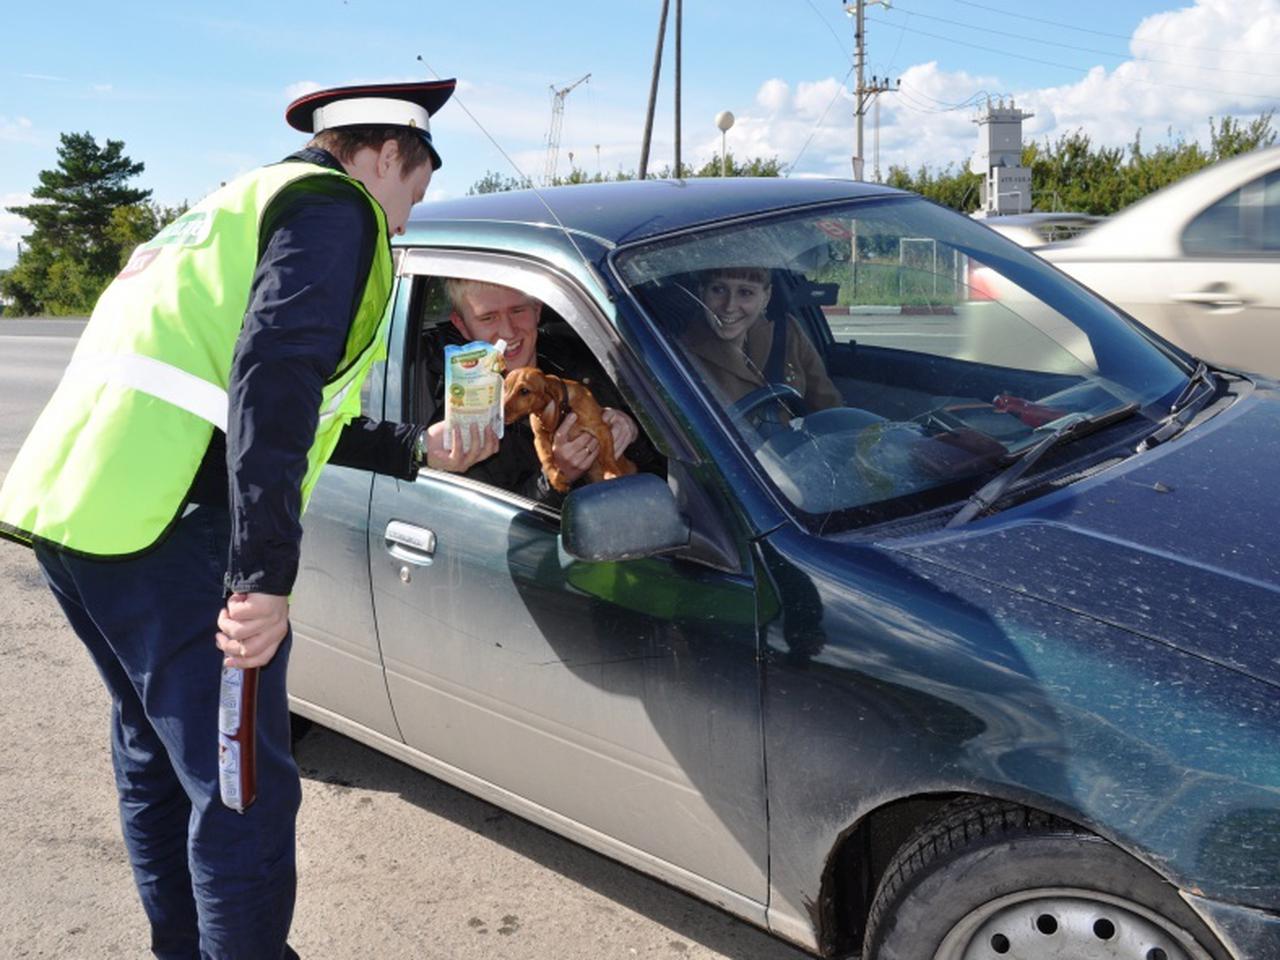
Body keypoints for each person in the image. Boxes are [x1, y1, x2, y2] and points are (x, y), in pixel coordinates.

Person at [0, 80, 492, 959]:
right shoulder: (334, 209)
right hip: (172, 528)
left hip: (81, 512)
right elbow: (273, 381)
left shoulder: (235, 202)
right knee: (244, 790)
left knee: (160, 759)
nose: (409, 222)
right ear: (382, 156)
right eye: (413, 194)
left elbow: (273, 402)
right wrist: (264, 577)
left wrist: (417, 447)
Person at [438, 278, 660, 504]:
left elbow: (671, 470)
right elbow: (492, 525)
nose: (508, 331)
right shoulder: (460, 419)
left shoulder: (592, 361)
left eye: (517, 310)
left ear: (537, 310)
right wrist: (555, 475)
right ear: (462, 325)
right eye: (487, 317)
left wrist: (633, 431)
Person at [683, 266, 844, 414]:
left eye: (745, 292)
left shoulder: (787, 331)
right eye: (718, 290)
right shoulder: (678, 353)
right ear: (702, 292)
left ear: (766, 297)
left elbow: (829, 407)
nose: (729, 306)